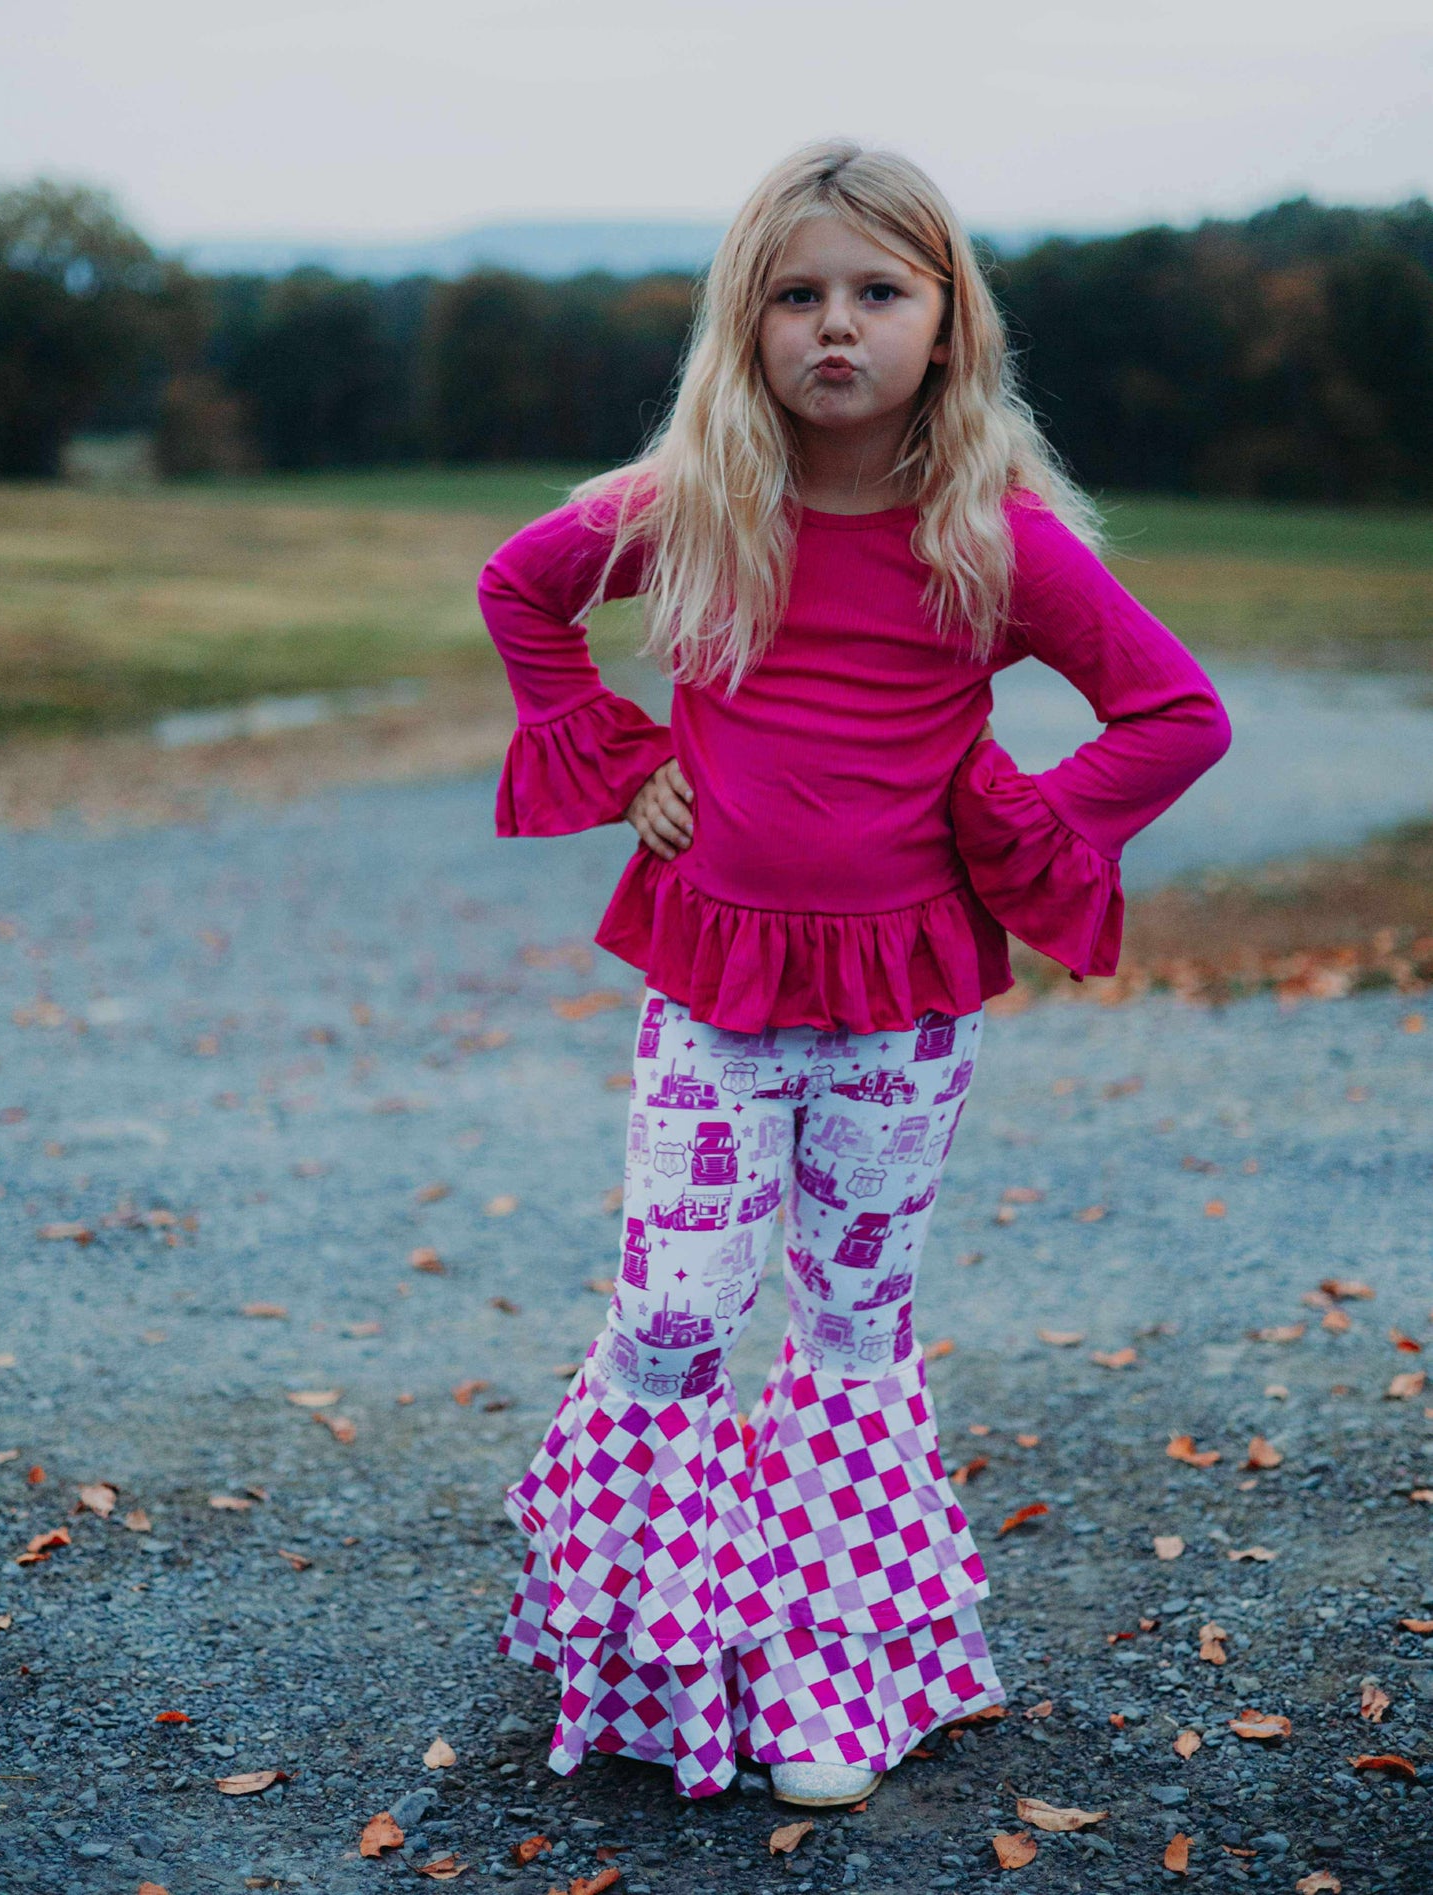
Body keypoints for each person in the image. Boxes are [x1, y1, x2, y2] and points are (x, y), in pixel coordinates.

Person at [479, 138, 1232, 1809]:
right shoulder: (693, 506)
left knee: (848, 1330)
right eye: (795, 295)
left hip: (903, 1012)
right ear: (742, 326)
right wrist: (619, 758)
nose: (836, 326)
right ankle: (645, 1633)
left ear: (946, 324)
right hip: (711, 988)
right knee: (674, 1315)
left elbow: (1177, 714)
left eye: (878, 292)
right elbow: (520, 587)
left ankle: (832, 1671)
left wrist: (1023, 820)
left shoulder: (994, 539)